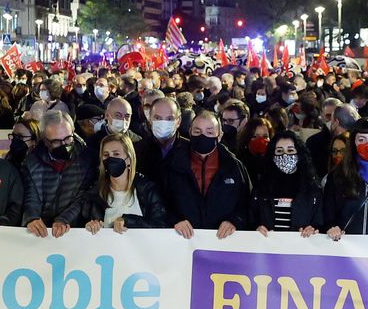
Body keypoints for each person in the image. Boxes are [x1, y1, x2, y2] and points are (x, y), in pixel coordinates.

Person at [160, 110, 250, 239]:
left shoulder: (234, 167)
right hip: (181, 240)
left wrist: (235, 220)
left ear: (219, 135)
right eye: (197, 132)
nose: (203, 136)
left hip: (222, 241)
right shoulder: (172, 165)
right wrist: (175, 220)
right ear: (190, 132)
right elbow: (160, 201)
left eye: (209, 132)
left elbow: (246, 204)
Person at [73, 131, 170, 232]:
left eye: (116, 154)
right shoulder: (95, 193)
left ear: (129, 159)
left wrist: (128, 221)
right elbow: (83, 223)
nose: (111, 158)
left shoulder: (147, 188)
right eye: (106, 155)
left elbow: (160, 225)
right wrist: (90, 226)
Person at [23, 110, 97, 238]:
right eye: (56, 141)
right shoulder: (31, 161)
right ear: (45, 141)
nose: (64, 145)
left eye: (68, 138)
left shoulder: (87, 158)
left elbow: (84, 196)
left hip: (72, 229)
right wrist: (32, 217)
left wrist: (65, 219)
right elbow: (31, 194)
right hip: (41, 230)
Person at [252, 131, 321, 234]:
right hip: (268, 246)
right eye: (279, 151)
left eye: (290, 150)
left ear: (299, 153)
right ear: (272, 155)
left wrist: (313, 229)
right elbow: (251, 218)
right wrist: (255, 229)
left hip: (299, 247)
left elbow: (319, 222)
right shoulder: (261, 187)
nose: (285, 155)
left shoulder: (312, 188)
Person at [136, 96, 186, 182]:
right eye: (158, 118)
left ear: (178, 121)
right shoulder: (137, 149)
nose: (163, 123)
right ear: (150, 119)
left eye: (169, 119)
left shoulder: (189, 150)